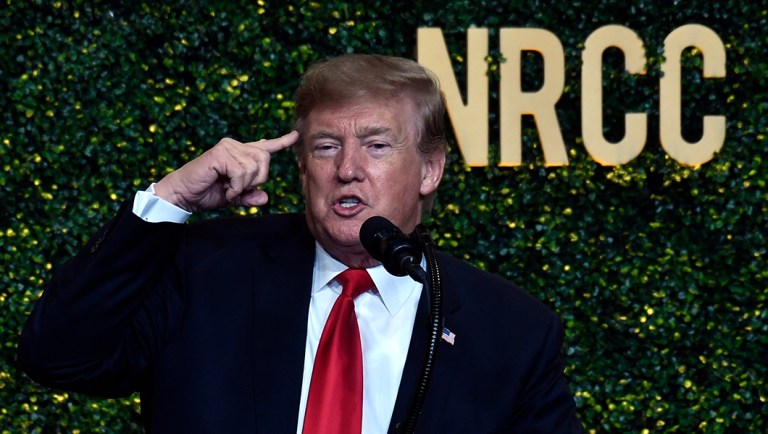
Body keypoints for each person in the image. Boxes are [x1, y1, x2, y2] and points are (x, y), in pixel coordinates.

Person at [18, 54, 583, 433]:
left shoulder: (511, 329)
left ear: (430, 169)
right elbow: (58, 357)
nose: (348, 170)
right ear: (302, 168)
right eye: (325, 147)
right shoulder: (207, 272)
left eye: (378, 146)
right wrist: (169, 202)